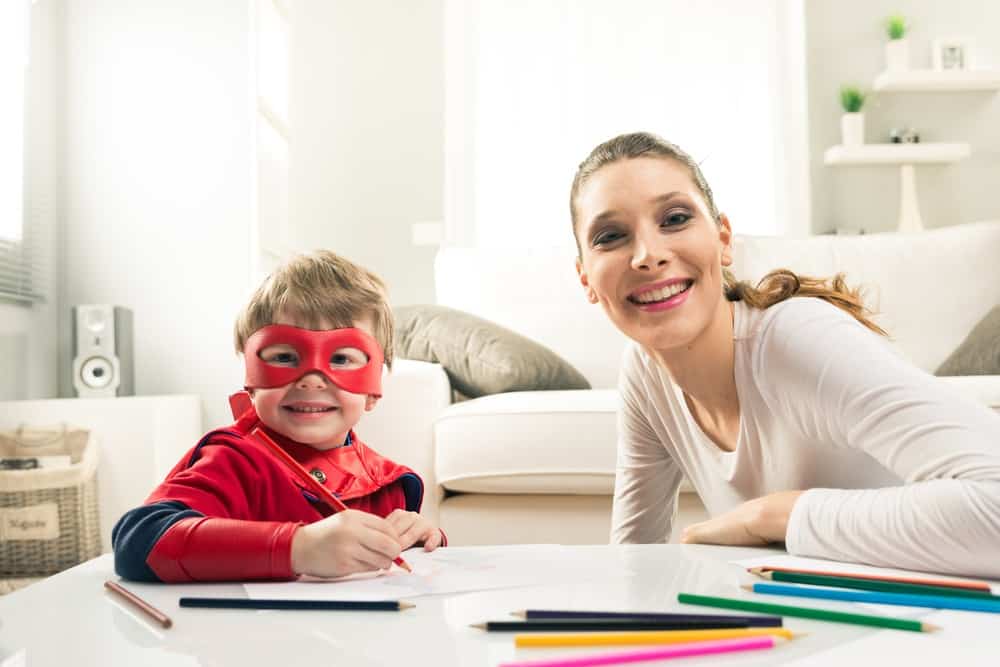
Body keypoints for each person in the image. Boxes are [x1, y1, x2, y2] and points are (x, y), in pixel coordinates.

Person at [570, 131, 1000, 577]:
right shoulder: (644, 373)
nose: (648, 255)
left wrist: (775, 517)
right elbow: (634, 565)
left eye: (675, 218)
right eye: (610, 236)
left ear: (723, 239)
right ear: (586, 278)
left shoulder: (796, 337)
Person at [112, 250, 444, 582]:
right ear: (251, 380)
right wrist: (299, 548)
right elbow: (139, 540)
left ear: (372, 391)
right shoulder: (234, 461)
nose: (311, 379)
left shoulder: (385, 483)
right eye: (285, 356)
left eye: (341, 358)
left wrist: (422, 540)